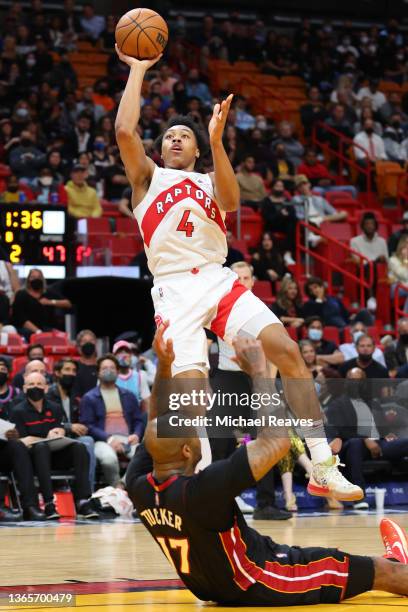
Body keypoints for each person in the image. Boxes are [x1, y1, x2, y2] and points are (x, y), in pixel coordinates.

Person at [115, 46, 363, 501]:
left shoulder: (212, 179)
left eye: (184, 136)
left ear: (195, 148)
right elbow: (124, 130)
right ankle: (169, 482)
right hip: (175, 289)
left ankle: (323, 466)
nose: (175, 139)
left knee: (287, 350)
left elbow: (230, 203)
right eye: (169, 135)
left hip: (217, 277)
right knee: (187, 403)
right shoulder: (148, 178)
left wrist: (215, 140)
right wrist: (137, 69)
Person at [127, 333, 408, 606]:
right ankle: (394, 567)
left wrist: (164, 366)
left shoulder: (139, 485)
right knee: (378, 572)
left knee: (316, 556)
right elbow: (277, 441)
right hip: (262, 578)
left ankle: (395, 558)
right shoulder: (202, 490)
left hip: (212, 582)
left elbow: (157, 420)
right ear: (188, 451)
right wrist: (260, 373)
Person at [208, 261, 292, 520]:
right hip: (226, 378)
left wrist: (267, 387)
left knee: (265, 439)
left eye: (246, 277)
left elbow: (277, 354)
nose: (242, 281)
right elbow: (203, 344)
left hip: (255, 379)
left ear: (253, 281)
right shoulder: (217, 307)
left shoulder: (263, 313)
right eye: (238, 277)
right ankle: (216, 500)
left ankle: (265, 504)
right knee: (219, 442)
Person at [11, 371, 98, 520]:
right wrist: (42, 438)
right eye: (31, 384)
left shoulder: (55, 407)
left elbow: (60, 428)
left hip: (55, 454)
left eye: (39, 384)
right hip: (33, 459)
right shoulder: (18, 411)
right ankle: (49, 503)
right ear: (24, 388)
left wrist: (60, 431)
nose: (35, 387)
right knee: (41, 448)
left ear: (46, 388)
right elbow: (23, 442)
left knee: (80, 447)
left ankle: (83, 501)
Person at [326, 368, 408, 510]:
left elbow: (382, 428)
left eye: (359, 380)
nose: (355, 383)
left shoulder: (373, 403)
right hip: (353, 445)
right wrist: (365, 439)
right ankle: (359, 497)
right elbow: (340, 430)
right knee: (355, 443)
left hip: (379, 444)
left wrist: (388, 434)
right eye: (352, 380)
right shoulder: (338, 404)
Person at [80, 354, 145, 487]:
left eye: (112, 368)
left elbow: (138, 420)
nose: (108, 371)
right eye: (104, 368)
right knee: (109, 459)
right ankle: (117, 487)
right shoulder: (89, 398)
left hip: (128, 439)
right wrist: (109, 439)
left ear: (117, 371)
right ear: (98, 373)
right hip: (102, 441)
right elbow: (88, 425)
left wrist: (137, 435)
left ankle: (124, 485)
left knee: (145, 456)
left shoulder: (129, 395)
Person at [46, 358, 96, 489]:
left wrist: (81, 427)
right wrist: (70, 427)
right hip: (53, 439)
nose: (71, 373)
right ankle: (85, 490)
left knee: (88, 440)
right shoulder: (49, 395)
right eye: (67, 370)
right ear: (57, 373)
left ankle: (87, 490)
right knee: (86, 442)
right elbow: (48, 423)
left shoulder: (74, 395)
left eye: (74, 371)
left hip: (71, 438)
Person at [11, 268, 72, 339]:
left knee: (63, 336)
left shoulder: (48, 293)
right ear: (28, 280)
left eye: (38, 277)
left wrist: (50, 302)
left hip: (47, 328)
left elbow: (68, 304)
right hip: (27, 330)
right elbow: (21, 318)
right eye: (33, 277)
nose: (36, 279)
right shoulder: (21, 294)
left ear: (42, 279)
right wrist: (38, 331)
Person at [112, 340, 150, 413]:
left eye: (127, 351)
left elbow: (146, 403)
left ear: (131, 355)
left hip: (135, 421)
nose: (124, 355)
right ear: (114, 356)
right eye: (120, 352)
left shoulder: (140, 376)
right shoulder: (109, 377)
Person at [72, 329, 98, 398]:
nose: (88, 343)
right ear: (79, 346)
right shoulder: (74, 367)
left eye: (91, 340)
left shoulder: (101, 366)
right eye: (84, 341)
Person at [0, 259, 19, 325]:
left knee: (10, 329)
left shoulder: (6, 265)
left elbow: (17, 289)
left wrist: (11, 304)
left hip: (6, 302)